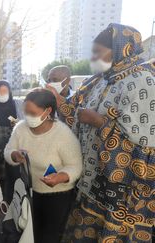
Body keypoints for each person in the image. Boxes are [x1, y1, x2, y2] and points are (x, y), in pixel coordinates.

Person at [46, 24, 155, 242]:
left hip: (123, 192)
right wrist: (56, 99)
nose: (94, 57)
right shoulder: (99, 79)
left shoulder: (144, 81)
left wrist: (99, 122)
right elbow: (72, 113)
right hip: (91, 180)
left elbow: (146, 148)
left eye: (99, 52)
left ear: (120, 49)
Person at [4, 89, 83, 243]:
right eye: (25, 112)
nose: (28, 117)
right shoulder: (21, 128)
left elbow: (75, 166)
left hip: (57, 196)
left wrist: (61, 177)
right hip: (30, 192)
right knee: (29, 234)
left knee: (49, 237)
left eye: (32, 113)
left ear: (48, 111)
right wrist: (14, 155)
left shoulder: (63, 134)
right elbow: (8, 150)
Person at [0, 80, 24, 212]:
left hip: (14, 143)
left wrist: (18, 123)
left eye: (5, 91)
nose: (2, 94)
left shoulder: (18, 104)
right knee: (2, 174)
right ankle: (5, 201)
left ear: (10, 91)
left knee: (15, 173)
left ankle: (16, 201)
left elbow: (26, 122)